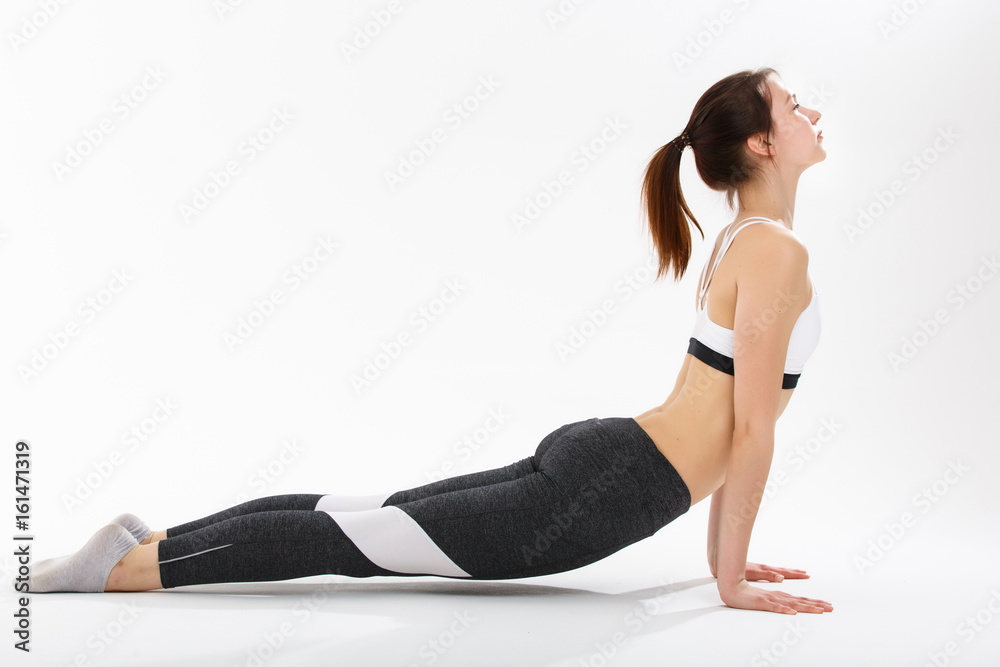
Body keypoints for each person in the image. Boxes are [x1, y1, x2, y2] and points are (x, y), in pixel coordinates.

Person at [32, 66, 833, 615]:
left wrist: (726, 559)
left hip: (614, 459)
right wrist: (730, 577)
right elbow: (753, 428)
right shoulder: (775, 250)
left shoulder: (747, 239)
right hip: (618, 484)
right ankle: (128, 570)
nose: (812, 114)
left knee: (360, 518)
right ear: (761, 144)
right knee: (356, 537)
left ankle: (147, 539)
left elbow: (735, 423)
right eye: (795, 106)